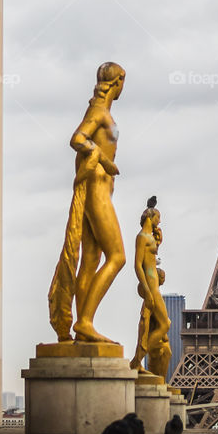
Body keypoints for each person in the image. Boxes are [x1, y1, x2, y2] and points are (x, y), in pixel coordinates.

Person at [48, 62, 126, 343]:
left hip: (101, 189)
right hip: (98, 190)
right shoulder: (99, 112)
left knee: (91, 260)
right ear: (118, 81)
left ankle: (84, 327)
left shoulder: (103, 112)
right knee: (118, 256)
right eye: (122, 82)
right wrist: (105, 161)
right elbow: (77, 138)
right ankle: (84, 321)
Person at [129, 198, 171, 380]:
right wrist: (146, 290)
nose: (159, 221)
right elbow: (137, 265)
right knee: (165, 324)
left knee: (162, 326)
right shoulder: (141, 237)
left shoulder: (149, 238)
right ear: (150, 216)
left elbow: (150, 260)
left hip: (154, 286)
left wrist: (158, 242)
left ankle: (138, 360)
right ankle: (136, 360)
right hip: (151, 288)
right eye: (158, 217)